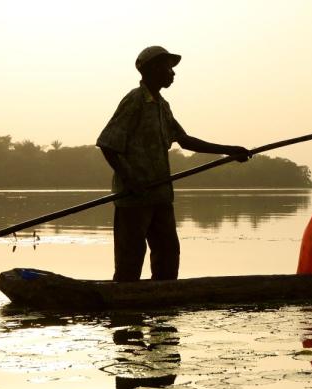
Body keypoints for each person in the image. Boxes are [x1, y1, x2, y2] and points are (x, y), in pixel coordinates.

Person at [97, 46, 251, 282]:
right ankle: (123, 301)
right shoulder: (135, 101)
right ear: (152, 69)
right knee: (130, 261)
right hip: (133, 199)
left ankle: (163, 300)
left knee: (168, 256)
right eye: (168, 68)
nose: (173, 73)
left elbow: (184, 140)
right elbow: (107, 144)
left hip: (160, 196)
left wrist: (229, 151)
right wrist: (131, 179)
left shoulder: (162, 105)